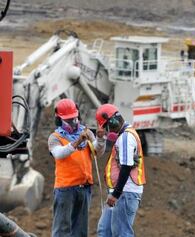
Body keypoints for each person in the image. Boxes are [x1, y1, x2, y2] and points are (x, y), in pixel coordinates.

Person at [48, 98, 106, 237]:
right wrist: (77, 141)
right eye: (68, 120)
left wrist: (100, 140)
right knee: (62, 229)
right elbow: (59, 154)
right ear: (59, 119)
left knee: (80, 230)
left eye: (74, 119)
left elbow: (97, 152)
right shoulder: (55, 137)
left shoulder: (86, 132)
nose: (73, 123)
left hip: (84, 187)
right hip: (65, 188)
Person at [96, 104, 146, 237]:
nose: (107, 132)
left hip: (125, 193)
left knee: (122, 233)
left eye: (106, 128)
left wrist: (116, 194)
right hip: (121, 192)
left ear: (111, 122)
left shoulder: (125, 137)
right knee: (104, 231)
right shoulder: (124, 135)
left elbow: (126, 167)